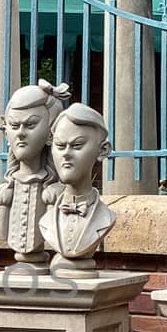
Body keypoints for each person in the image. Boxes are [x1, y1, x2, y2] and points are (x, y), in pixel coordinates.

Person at [0, 80, 69, 265]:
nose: (20, 133)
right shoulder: (6, 193)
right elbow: (1, 234)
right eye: (14, 125)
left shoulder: (57, 193)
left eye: (30, 125)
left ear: (51, 133)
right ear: (5, 131)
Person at [40, 102, 115, 274]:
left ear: (102, 150)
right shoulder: (46, 221)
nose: (66, 154)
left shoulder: (106, 218)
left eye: (77, 145)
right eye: (59, 146)